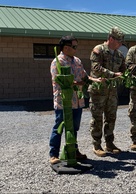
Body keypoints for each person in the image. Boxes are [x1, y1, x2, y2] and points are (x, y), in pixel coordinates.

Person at [49, 35, 103, 164]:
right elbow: (61, 81)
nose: (76, 49)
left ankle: (74, 151)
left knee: (74, 128)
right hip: (64, 102)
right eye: (74, 46)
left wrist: (96, 80)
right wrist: (79, 83)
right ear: (66, 47)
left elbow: (84, 77)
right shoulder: (58, 61)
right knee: (59, 127)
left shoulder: (77, 61)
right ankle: (53, 154)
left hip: (77, 101)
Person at [88, 27, 126, 157]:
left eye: (121, 42)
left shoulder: (119, 54)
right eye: (118, 41)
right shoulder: (98, 50)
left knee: (111, 118)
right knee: (97, 118)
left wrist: (124, 75)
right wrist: (113, 74)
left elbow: (123, 70)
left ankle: (109, 144)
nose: (120, 44)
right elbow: (96, 68)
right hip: (98, 91)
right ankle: (97, 145)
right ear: (111, 38)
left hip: (112, 92)